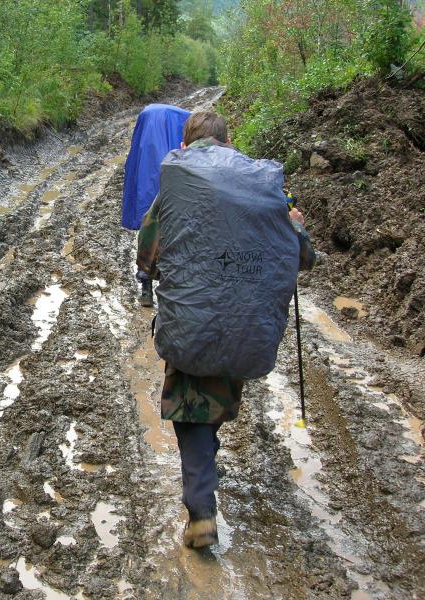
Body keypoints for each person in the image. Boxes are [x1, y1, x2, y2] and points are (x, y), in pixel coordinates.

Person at [136, 111, 316, 548]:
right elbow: (303, 258)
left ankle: (201, 512)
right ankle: (204, 477)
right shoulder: (263, 189)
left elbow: (147, 256)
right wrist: (298, 226)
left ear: (188, 141)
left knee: (190, 406)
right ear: (227, 140)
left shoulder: (179, 186)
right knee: (211, 400)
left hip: (193, 320)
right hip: (245, 321)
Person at [122, 104, 190, 307]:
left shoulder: (146, 125)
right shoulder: (184, 124)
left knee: (147, 237)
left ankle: (146, 288)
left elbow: (133, 168)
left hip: (150, 195)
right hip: (172, 196)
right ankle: (165, 289)